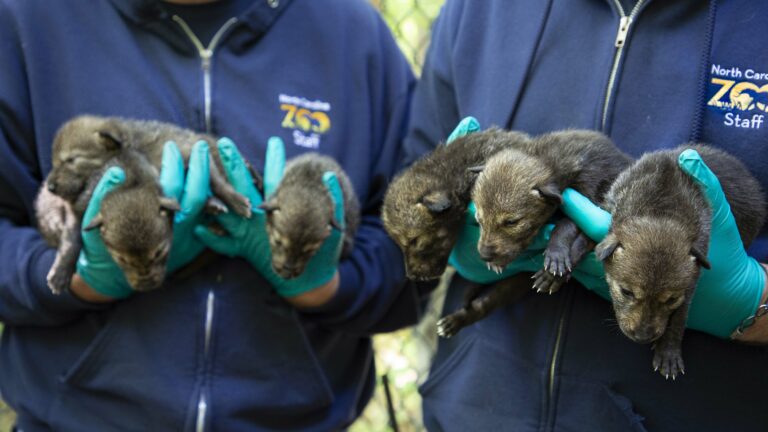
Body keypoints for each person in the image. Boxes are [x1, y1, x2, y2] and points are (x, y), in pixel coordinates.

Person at [0, 0, 426, 430]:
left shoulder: (354, 34)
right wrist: (73, 278)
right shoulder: (28, 19)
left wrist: (330, 285)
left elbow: (417, 244)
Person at [406, 0, 768, 430]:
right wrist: (439, 234)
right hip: (478, 409)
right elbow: (402, 200)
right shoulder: (477, 10)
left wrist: (756, 305)